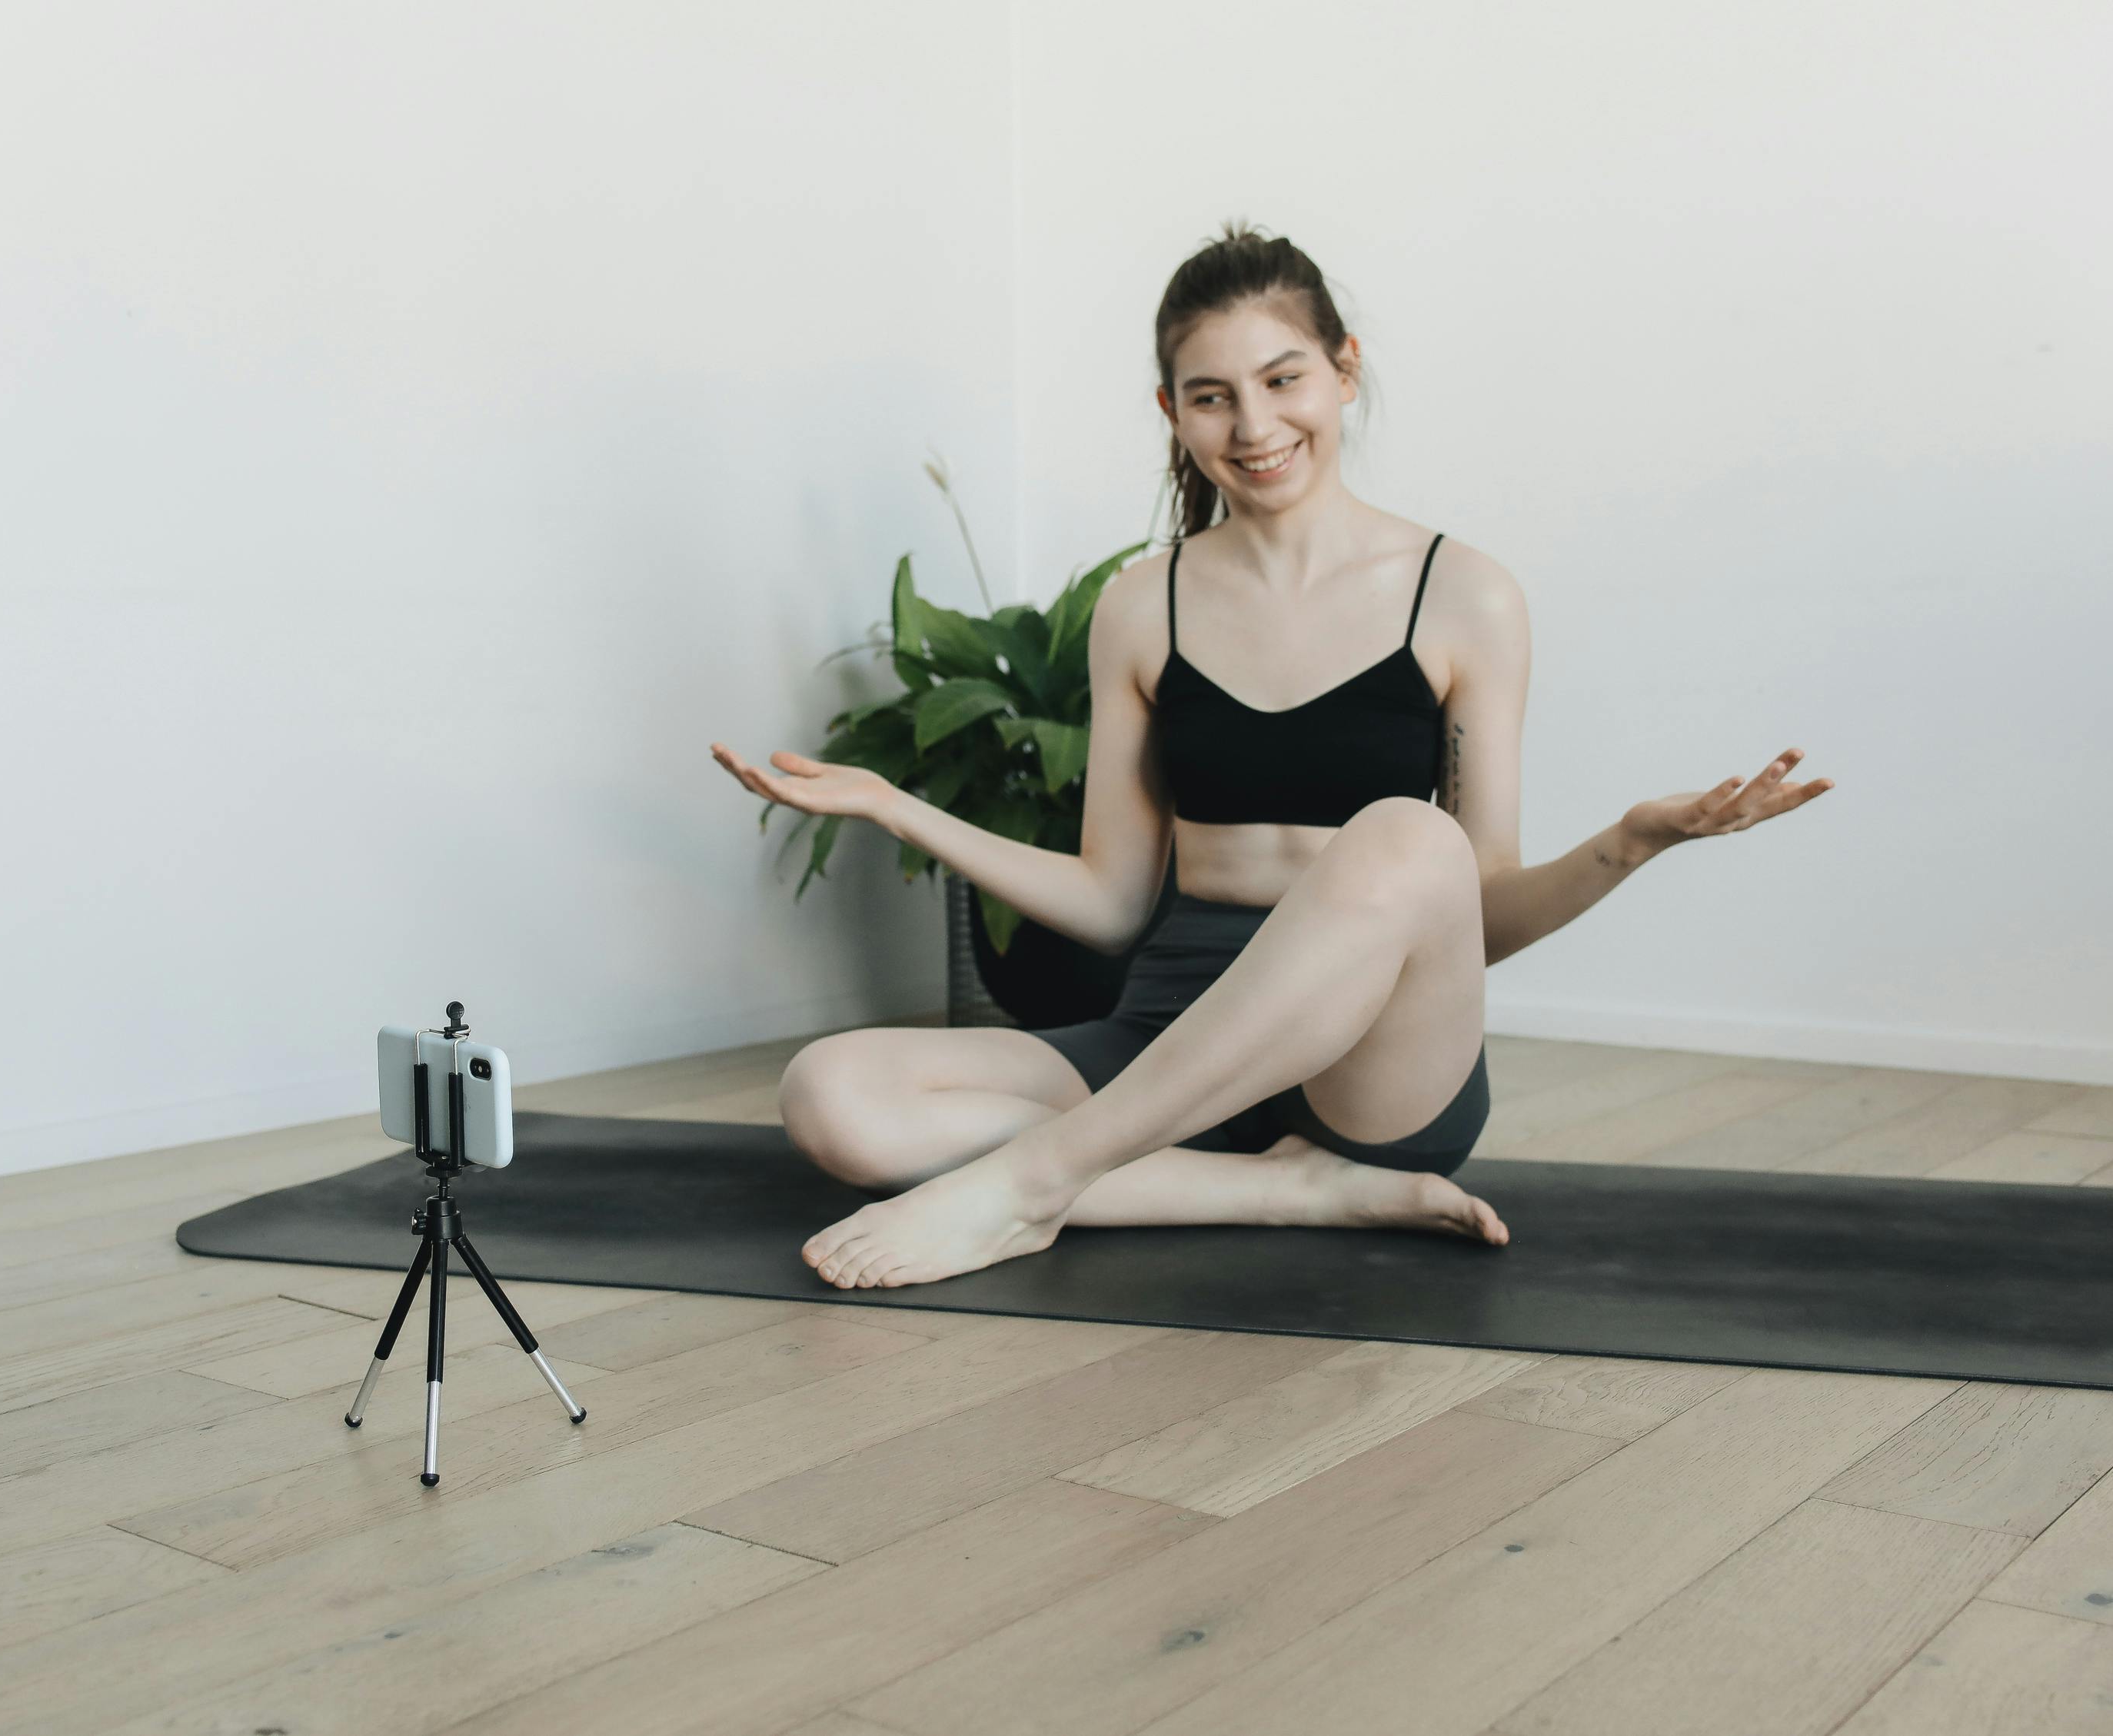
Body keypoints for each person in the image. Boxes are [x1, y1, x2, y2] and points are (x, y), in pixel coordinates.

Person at [708, 220, 1832, 1291]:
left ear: (1344, 371)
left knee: (1405, 832)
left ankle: (1035, 1179)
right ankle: (1292, 1192)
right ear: (1172, 412)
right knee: (832, 1095)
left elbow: (1471, 910)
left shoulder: (1467, 596)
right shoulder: (1143, 608)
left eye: (1283, 379)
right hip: (1169, 1030)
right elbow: (1109, 904)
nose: (1253, 425)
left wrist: (1632, 841)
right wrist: (901, 807)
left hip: (1372, 1068)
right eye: (1213, 397)